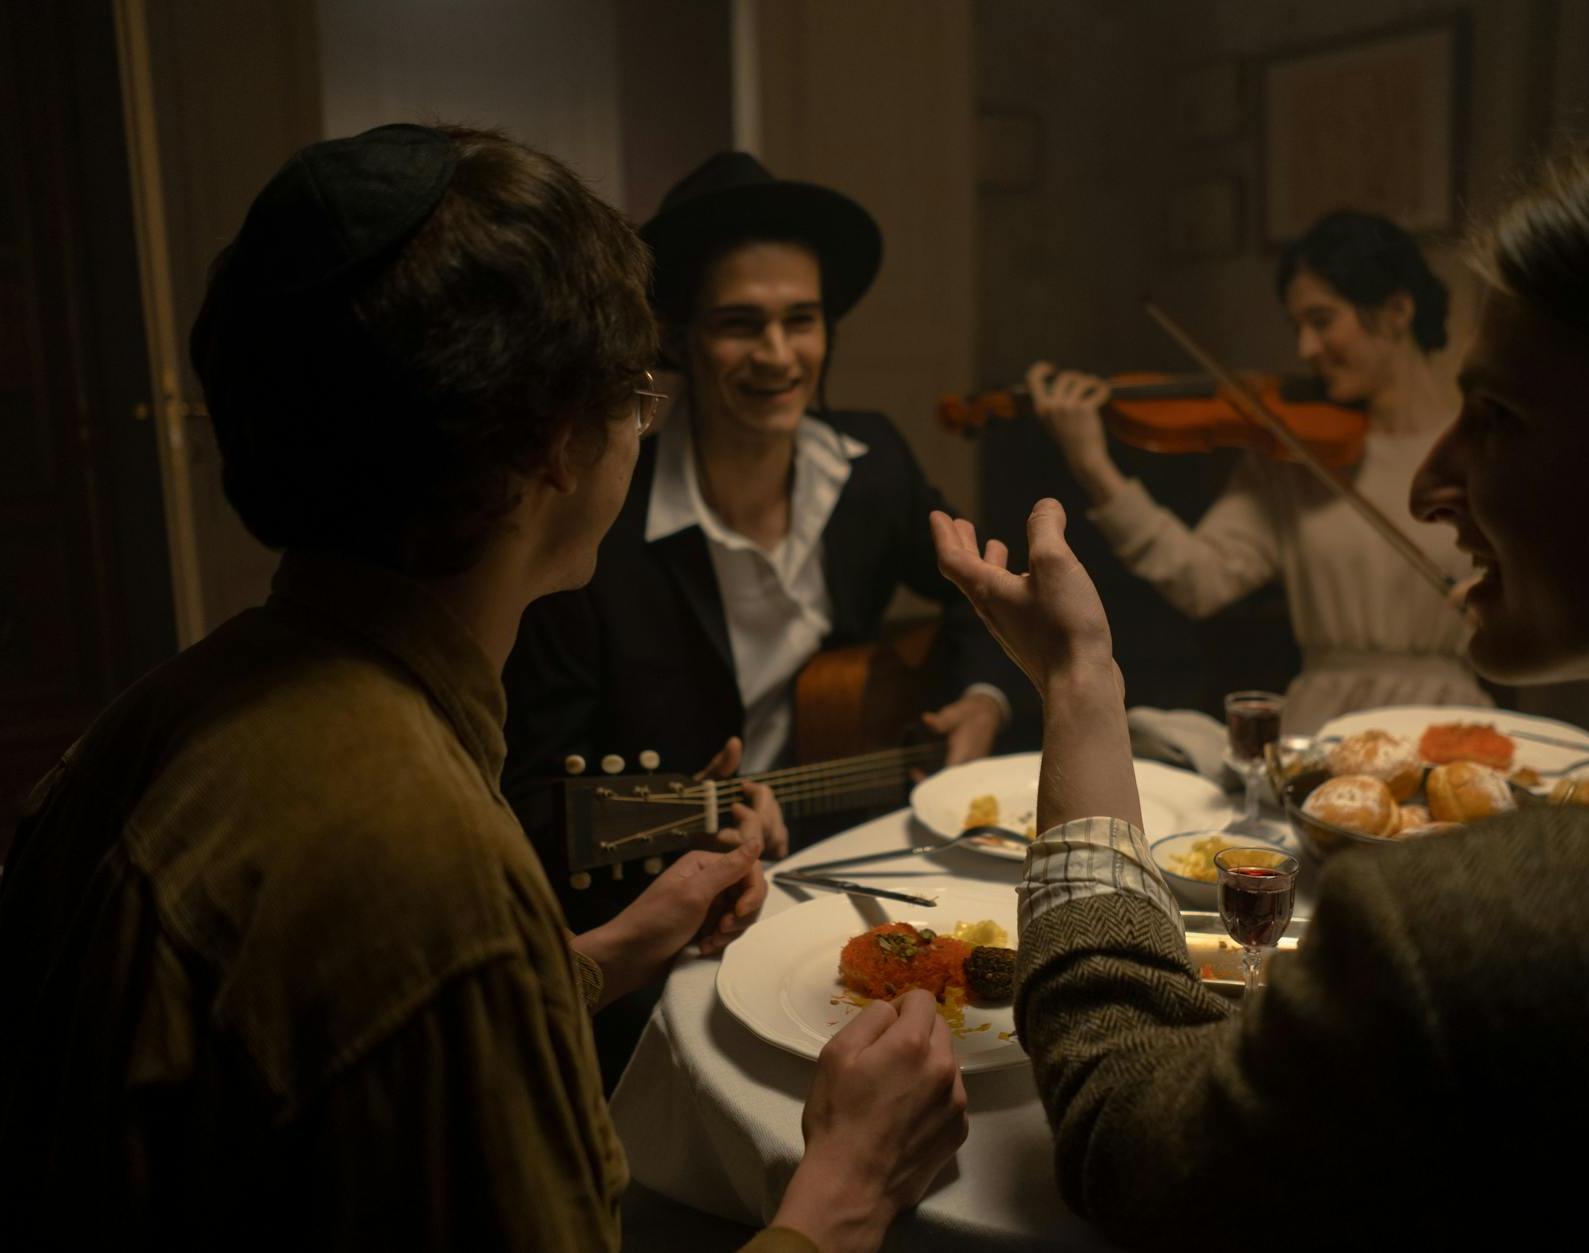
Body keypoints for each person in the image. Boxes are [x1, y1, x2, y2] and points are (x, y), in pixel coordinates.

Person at [931, 74, 1589, 1247]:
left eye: (1500, 417)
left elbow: (1137, 1147)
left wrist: (1080, 687)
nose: (1433, 488)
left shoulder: (1468, 932)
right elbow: (1198, 570)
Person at [0, 124, 965, 1253]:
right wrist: (843, 1186)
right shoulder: (435, 872)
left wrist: (597, 955)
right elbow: (426, 954)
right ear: (559, 444)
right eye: (634, 394)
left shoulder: (161, 711)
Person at [501, 151, 1016, 1075]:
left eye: (801, 321)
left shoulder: (871, 466)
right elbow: (535, 797)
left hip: (853, 857)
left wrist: (980, 695)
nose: (779, 357)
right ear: (681, 336)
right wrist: (697, 830)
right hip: (681, 909)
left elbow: (980, 595)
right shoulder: (602, 522)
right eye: (742, 325)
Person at [1026, 211, 1484, 733]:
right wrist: (1094, 466)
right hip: (1324, 730)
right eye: (1297, 327)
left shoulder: (1482, 449)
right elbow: (1200, 580)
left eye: (1321, 320)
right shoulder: (1292, 453)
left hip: (1454, 727)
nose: (1305, 349)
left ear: (1398, 310)